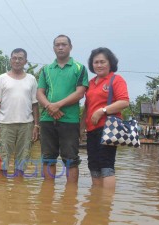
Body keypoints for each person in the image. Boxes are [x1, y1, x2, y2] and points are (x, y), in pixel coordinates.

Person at [37, 35, 89, 183]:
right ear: (53, 48)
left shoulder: (79, 68)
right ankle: (47, 193)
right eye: (57, 45)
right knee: (48, 158)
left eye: (64, 44)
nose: (60, 47)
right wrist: (49, 106)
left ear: (70, 47)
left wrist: (57, 105)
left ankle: (71, 198)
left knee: (71, 160)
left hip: (69, 120)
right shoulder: (46, 69)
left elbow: (80, 93)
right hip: (47, 119)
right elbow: (40, 92)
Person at [80, 47, 129, 189]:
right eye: (96, 62)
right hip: (91, 130)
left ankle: (107, 204)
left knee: (106, 164)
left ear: (110, 63)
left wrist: (102, 111)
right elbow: (87, 107)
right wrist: (81, 127)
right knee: (93, 164)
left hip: (108, 128)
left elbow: (124, 102)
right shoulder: (90, 83)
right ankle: (96, 200)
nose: (99, 65)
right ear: (92, 64)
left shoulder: (116, 79)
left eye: (103, 62)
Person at [0, 48, 39, 177]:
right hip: (5, 124)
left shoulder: (32, 79)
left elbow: (35, 104)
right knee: (2, 161)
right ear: (10, 60)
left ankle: (18, 191)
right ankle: (2, 194)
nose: (17, 61)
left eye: (20, 58)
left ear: (25, 61)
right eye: (14, 58)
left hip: (27, 124)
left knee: (22, 161)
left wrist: (36, 125)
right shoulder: (2, 78)